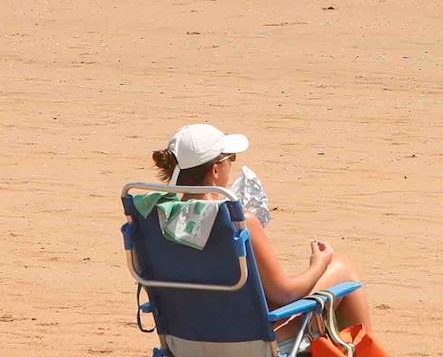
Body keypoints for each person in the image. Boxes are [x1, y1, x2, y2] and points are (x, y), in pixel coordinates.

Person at [151, 123, 373, 332]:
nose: (232, 163)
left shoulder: (158, 217)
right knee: (343, 269)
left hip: (189, 334)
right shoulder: (237, 220)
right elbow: (284, 293)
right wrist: (318, 264)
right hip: (248, 337)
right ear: (215, 171)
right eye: (231, 158)